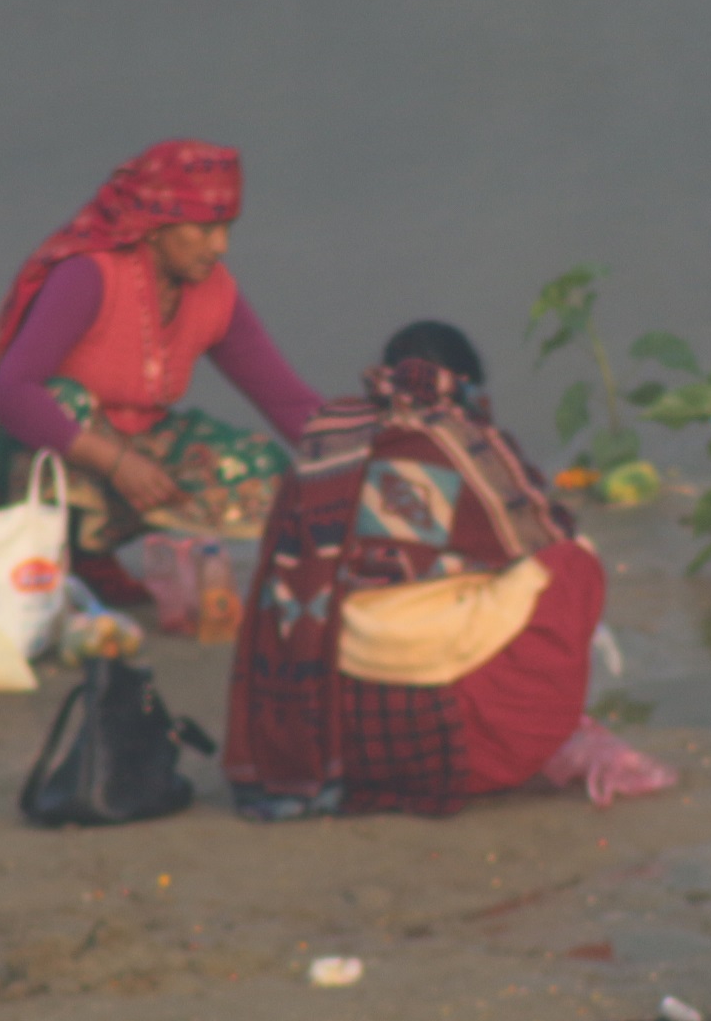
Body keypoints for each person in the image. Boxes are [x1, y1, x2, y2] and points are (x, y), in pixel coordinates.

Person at [223, 321, 607, 821]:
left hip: (330, 683)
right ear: (463, 381)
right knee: (573, 563)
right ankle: (507, 731)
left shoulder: (330, 433)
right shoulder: (462, 437)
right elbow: (545, 529)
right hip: (429, 691)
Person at [0, 139, 325, 605]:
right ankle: (61, 562)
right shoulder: (89, 276)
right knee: (64, 398)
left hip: (131, 446)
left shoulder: (214, 293)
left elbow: (289, 403)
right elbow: (11, 393)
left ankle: (93, 554)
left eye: (228, 228)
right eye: (207, 229)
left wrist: (384, 454)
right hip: (22, 451)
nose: (221, 246)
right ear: (156, 224)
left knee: (261, 464)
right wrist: (115, 462)